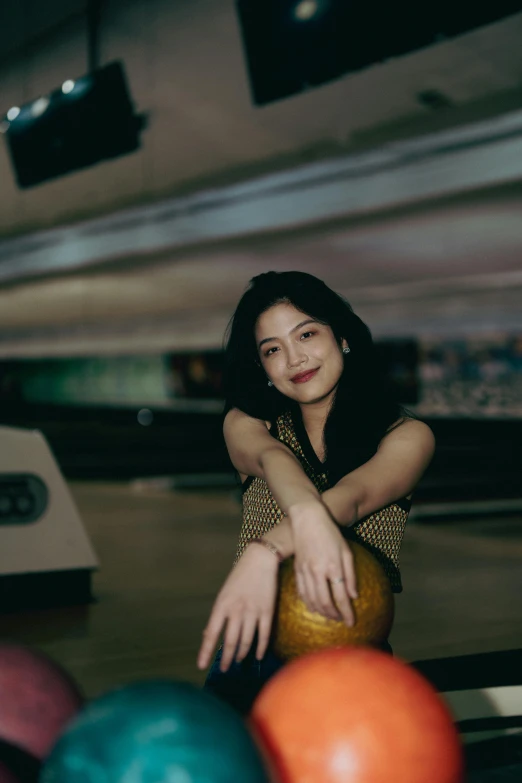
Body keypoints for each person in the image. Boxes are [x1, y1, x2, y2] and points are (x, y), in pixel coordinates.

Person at [197, 271, 435, 714]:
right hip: (254, 646)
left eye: (306, 334)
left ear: (341, 336)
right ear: (262, 367)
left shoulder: (406, 436)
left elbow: (352, 499)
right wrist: (297, 526)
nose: (294, 359)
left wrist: (266, 551)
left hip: (354, 646)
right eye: (273, 349)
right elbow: (274, 461)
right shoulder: (248, 425)